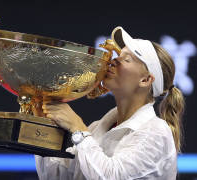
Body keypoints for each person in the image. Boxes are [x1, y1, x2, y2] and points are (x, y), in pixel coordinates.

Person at [34, 26, 185, 180]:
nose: (114, 60)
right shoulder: (96, 129)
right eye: (118, 55)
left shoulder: (156, 132)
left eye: (126, 59)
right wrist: (43, 127)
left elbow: (113, 176)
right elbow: (56, 176)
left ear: (145, 80)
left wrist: (77, 128)